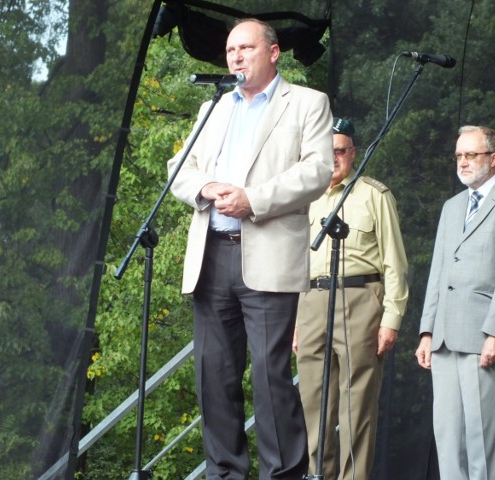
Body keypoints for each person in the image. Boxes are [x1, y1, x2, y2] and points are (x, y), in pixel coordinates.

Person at [167, 18, 334, 479]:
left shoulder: (306, 103)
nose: (235, 56)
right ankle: (225, 474)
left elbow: (317, 171)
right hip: (212, 254)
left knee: (270, 377)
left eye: (245, 47)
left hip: (268, 255)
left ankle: (284, 475)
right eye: (230, 49)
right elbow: (178, 169)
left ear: (273, 52)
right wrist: (209, 187)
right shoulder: (214, 107)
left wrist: (253, 200)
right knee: (214, 377)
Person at [415, 125, 495, 479]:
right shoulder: (452, 207)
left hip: (483, 339)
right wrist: (426, 332)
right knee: (448, 440)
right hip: (444, 339)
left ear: (493, 159)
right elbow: (438, 273)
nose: (463, 163)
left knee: (483, 442)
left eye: (471, 155)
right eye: (459, 156)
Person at [293, 117, 409, 479]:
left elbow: (396, 263)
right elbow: (295, 261)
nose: (333, 158)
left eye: (339, 151)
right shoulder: (306, 197)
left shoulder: (374, 194)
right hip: (311, 302)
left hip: (360, 299)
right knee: (313, 401)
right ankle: (317, 475)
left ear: (353, 153)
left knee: (357, 405)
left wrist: (391, 319)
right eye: (325, 152)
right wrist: (295, 321)